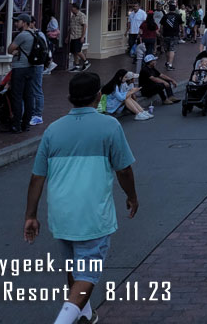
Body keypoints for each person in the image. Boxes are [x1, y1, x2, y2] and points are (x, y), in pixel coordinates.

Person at [25, 72, 138, 324]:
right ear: (98, 96)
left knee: (74, 268)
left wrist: (30, 215)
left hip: (61, 212)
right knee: (88, 272)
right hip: (92, 213)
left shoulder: (53, 130)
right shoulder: (109, 126)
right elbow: (124, 169)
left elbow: (37, 177)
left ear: (69, 98)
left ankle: (85, 314)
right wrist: (131, 196)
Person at [7, 13, 45, 133]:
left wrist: (16, 52)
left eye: (17, 21)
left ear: (24, 23)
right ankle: (26, 124)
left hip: (20, 68)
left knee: (17, 97)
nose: (15, 23)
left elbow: (9, 49)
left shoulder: (22, 35)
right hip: (32, 68)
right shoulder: (35, 34)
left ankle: (16, 125)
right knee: (28, 96)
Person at [67, 2, 90, 73]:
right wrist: (68, 37)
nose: (71, 9)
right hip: (73, 36)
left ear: (75, 8)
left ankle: (86, 62)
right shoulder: (73, 16)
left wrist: (82, 37)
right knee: (74, 52)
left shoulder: (81, 15)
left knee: (78, 50)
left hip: (79, 36)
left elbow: (84, 26)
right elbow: (71, 27)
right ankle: (76, 66)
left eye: (72, 7)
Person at [160, 4, 182, 70]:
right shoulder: (178, 16)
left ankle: (167, 62)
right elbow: (181, 25)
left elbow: (161, 26)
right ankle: (170, 64)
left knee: (167, 49)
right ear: (175, 9)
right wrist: (182, 32)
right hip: (174, 34)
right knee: (172, 49)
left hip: (166, 34)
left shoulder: (165, 16)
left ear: (169, 9)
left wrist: (161, 33)